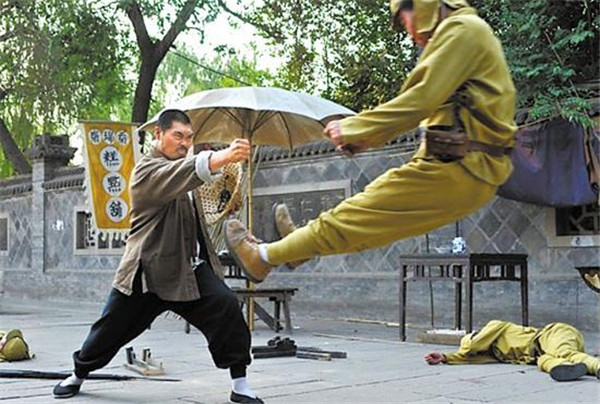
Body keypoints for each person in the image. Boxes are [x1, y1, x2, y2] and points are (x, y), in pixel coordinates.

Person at [224, 0, 518, 282]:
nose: (410, 33)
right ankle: (297, 248)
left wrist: (354, 129)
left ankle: (262, 256)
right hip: (461, 169)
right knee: (361, 221)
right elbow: (430, 108)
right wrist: (367, 139)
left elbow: (418, 101)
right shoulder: (463, 33)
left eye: (404, 20)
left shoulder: (463, 30)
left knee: (355, 216)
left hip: (459, 168)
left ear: (423, 4)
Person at [53, 110, 264, 403]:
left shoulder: (187, 175)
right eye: (178, 135)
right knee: (110, 329)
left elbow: (201, 210)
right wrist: (223, 157)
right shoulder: (146, 171)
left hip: (188, 271)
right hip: (147, 273)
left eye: (189, 137)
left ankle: (239, 385)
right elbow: (179, 174)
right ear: (158, 135)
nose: (184, 143)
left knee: (226, 307)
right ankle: (78, 373)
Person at [424, 320, 600, 382]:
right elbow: (471, 357)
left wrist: (467, 343)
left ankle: (597, 366)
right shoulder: (494, 353)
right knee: (546, 363)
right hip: (539, 354)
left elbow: (470, 348)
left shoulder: (496, 326)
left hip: (550, 334)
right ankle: (569, 368)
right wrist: (445, 357)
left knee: (565, 352)